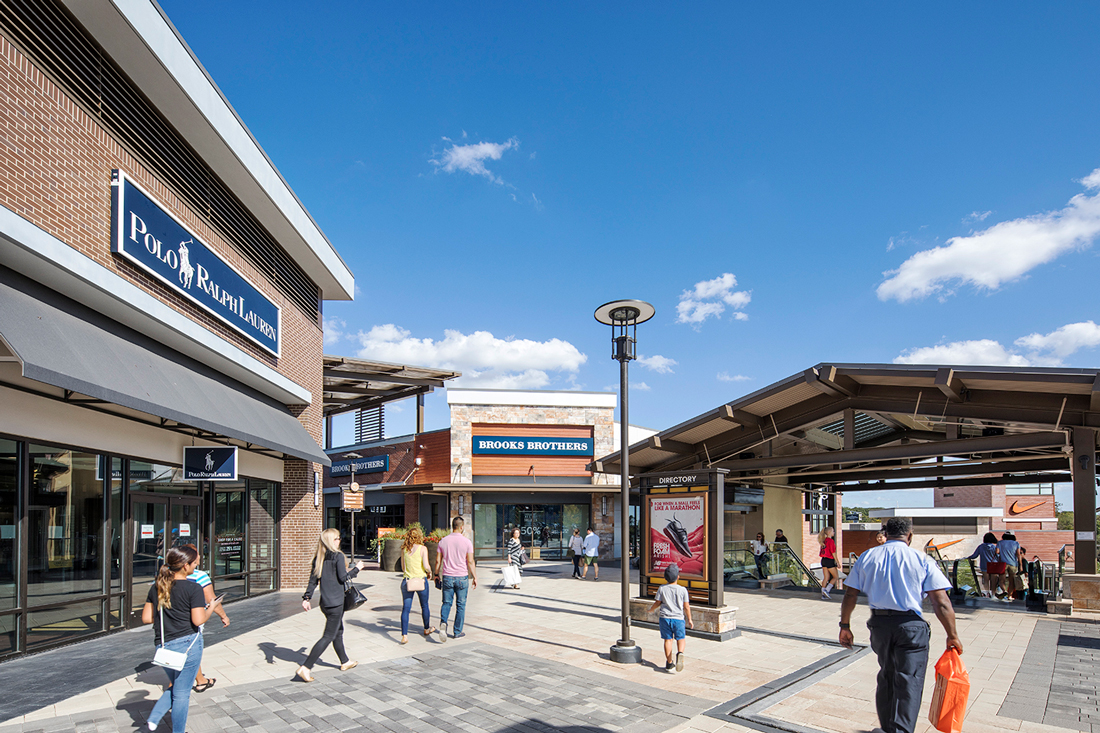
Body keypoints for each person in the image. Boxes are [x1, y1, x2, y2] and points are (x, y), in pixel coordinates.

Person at [840, 516, 962, 733]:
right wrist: (952, 635)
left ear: (885, 534)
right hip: (911, 626)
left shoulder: (867, 557)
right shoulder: (921, 559)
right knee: (909, 680)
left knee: (886, 675)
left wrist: (845, 625)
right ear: (910, 535)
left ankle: (888, 729)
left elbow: (850, 594)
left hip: (879, 625)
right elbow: (941, 602)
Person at [141, 545, 224, 733]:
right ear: (185, 566)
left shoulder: (157, 587)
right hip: (188, 645)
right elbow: (198, 619)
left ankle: (154, 718)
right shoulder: (193, 588)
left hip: (163, 645)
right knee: (181, 694)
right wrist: (211, 607)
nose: (196, 566)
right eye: (194, 563)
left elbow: (146, 618)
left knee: (178, 688)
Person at [298, 528, 368, 682]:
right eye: (337, 538)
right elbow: (343, 578)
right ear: (331, 540)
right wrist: (357, 568)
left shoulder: (319, 558)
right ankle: (305, 667)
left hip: (325, 603)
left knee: (338, 631)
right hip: (336, 603)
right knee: (328, 636)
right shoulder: (337, 556)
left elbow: (312, 581)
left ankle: (345, 662)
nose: (339, 540)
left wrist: (307, 598)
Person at [184, 545, 229, 693]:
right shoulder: (199, 576)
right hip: (194, 618)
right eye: (197, 557)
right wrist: (223, 616)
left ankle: (199, 680)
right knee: (192, 651)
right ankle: (199, 681)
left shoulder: (166, 576)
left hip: (171, 622)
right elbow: (211, 600)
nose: (199, 560)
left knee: (185, 651)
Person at [435, 515, 477, 642]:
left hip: (447, 576)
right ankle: (457, 632)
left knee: (446, 603)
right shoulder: (467, 542)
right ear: (462, 527)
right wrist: (474, 577)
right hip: (462, 577)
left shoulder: (443, 541)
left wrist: (436, 574)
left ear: (452, 527)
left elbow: (438, 561)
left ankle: (443, 623)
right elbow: (470, 561)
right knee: (461, 605)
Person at [648, 563, 693, 674]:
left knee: (668, 640)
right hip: (678, 618)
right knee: (680, 638)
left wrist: (651, 609)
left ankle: (669, 663)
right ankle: (680, 653)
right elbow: (686, 607)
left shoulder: (662, 588)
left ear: (665, 578)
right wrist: (690, 619)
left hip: (665, 618)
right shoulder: (683, 590)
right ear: (678, 577)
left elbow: (658, 602)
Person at [399, 524, 436, 645]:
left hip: (407, 581)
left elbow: (403, 568)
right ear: (420, 536)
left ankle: (404, 636)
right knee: (424, 606)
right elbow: (426, 565)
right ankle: (426, 628)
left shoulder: (404, 549)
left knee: (406, 608)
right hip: (420, 580)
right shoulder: (422, 549)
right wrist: (429, 572)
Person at [966, 532, 1001, 598]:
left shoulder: (981, 546)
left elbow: (974, 555)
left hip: (984, 566)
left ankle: (987, 593)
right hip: (994, 565)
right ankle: (993, 594)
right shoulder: (994, 547)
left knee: (986, 581)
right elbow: (998, 556)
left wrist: (967, 557)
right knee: (993, 581)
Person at [998, 532, 1022, 602]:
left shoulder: (1000, 542)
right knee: (1012, 581)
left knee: (1001, 580)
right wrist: (1020, 565)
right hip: (1013, 564)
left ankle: (1004, 590)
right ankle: (1009, 596)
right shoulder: (1016, 543)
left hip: (1003, 564)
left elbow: (997, 551)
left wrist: (1003, 552)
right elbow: (1018, 554)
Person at [818, 526, 839, 599]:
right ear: (829, 532)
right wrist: (837, 562)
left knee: (826, 578)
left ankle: (823, 594)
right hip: (829, 560)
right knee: (836, 577)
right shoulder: (831, 541)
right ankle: (827, 590)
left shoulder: (823, 540)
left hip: (823, 560)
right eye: (833, 531)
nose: (834, 532)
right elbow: (833, 552)